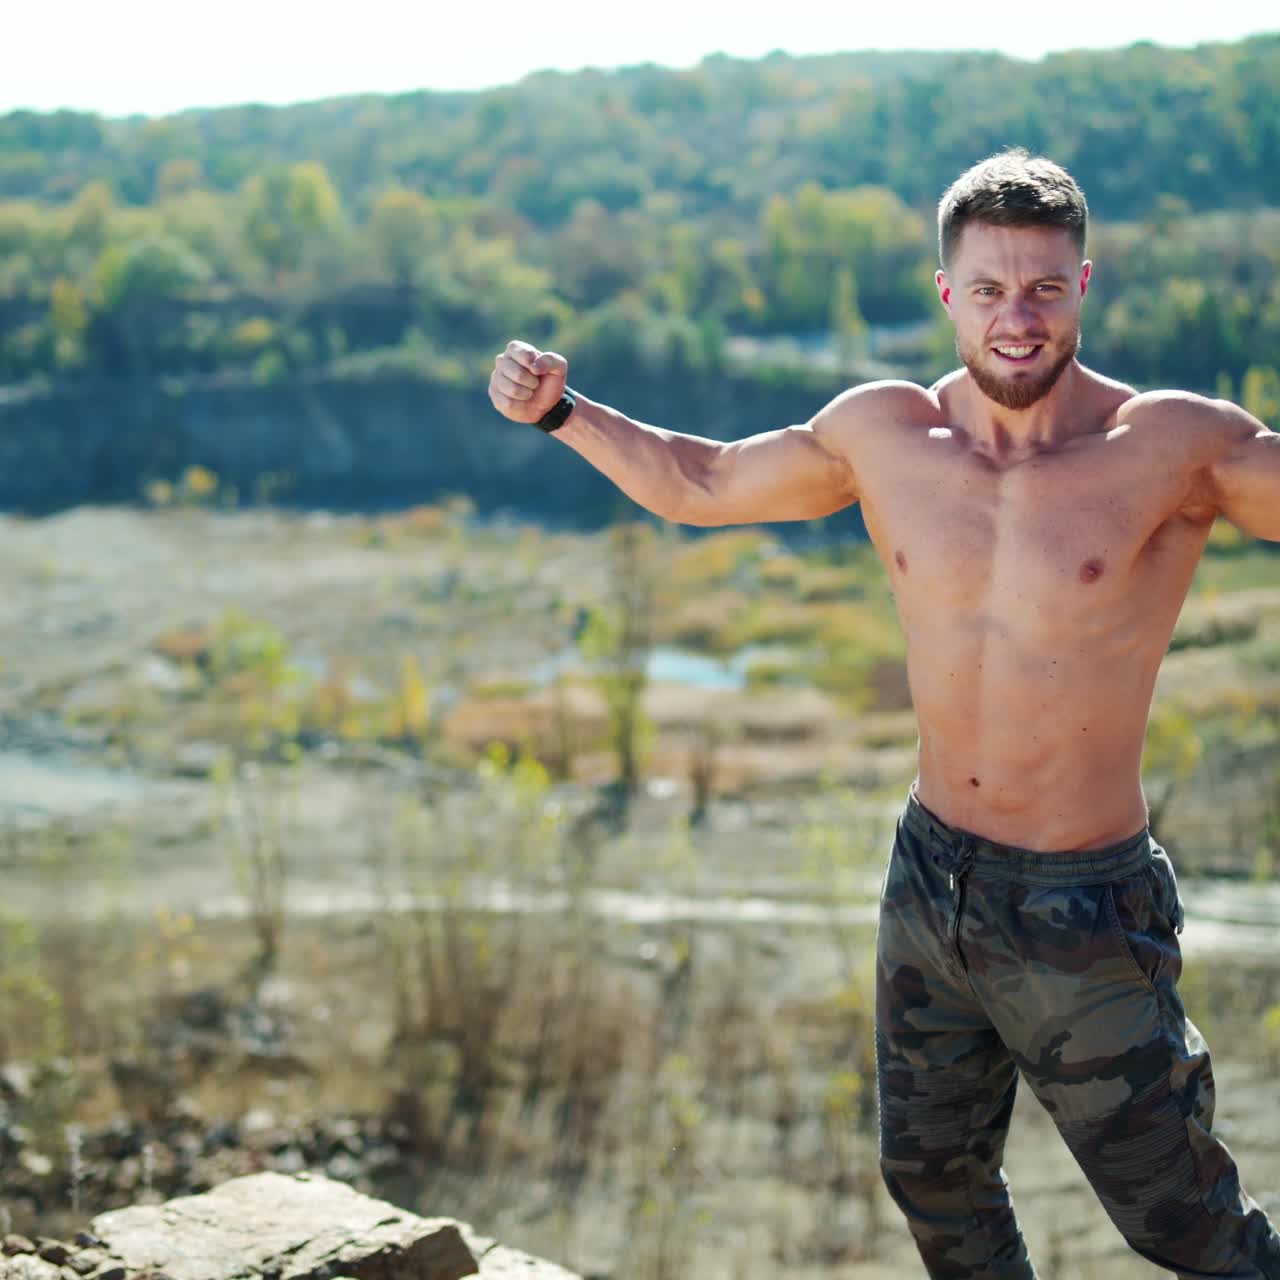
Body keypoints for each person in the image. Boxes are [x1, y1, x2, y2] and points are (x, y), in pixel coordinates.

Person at [486, 148, 1280, 1278]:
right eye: (991, 289)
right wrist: (558, 409)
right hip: (927, 875)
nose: (1018, 317)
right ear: (947, 291)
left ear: (1085, 287)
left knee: (1180, 1221)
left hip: (1079, 902)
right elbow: (701, 481)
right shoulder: (883, 431)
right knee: (932, 1179)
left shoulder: (1173, 446)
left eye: (1045, 288)